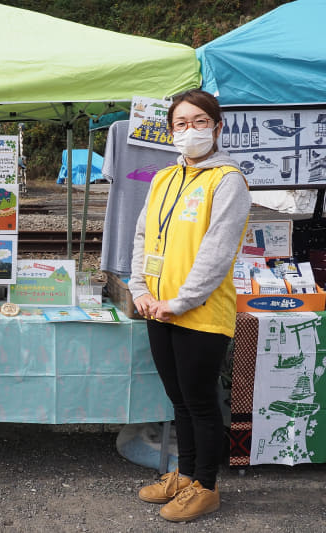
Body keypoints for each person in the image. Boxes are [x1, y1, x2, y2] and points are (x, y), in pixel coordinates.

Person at [129, 89, 251, 522]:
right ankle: (184, 475)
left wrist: (180, 302)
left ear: (217, 127)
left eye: (200, 121)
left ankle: (206, 487)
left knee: (200, 401)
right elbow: (144, 236)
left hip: (198, 312)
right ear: (171, 131)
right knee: (178, 398)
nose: (190, 130)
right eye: (181, 123)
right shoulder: (164, 178)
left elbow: (217, 252)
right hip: (157, 308)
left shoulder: (228, 181)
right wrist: (139, 287)